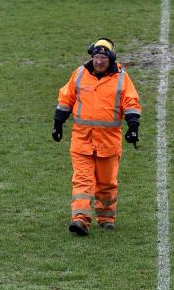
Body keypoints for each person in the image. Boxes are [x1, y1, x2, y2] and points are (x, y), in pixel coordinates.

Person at [52, 38, 141, 236]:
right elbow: (67, 98)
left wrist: (133, 126)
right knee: (82, 182)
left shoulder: (121, 78)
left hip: (108, 143)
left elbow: (131, 103)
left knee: (107, 183)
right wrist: (58, 123)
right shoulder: (80, 73)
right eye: (96, 57)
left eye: (102, 57)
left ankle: (106, 217)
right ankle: (80, 219)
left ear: (110, 59)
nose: (98, 61)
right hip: (82, 141)